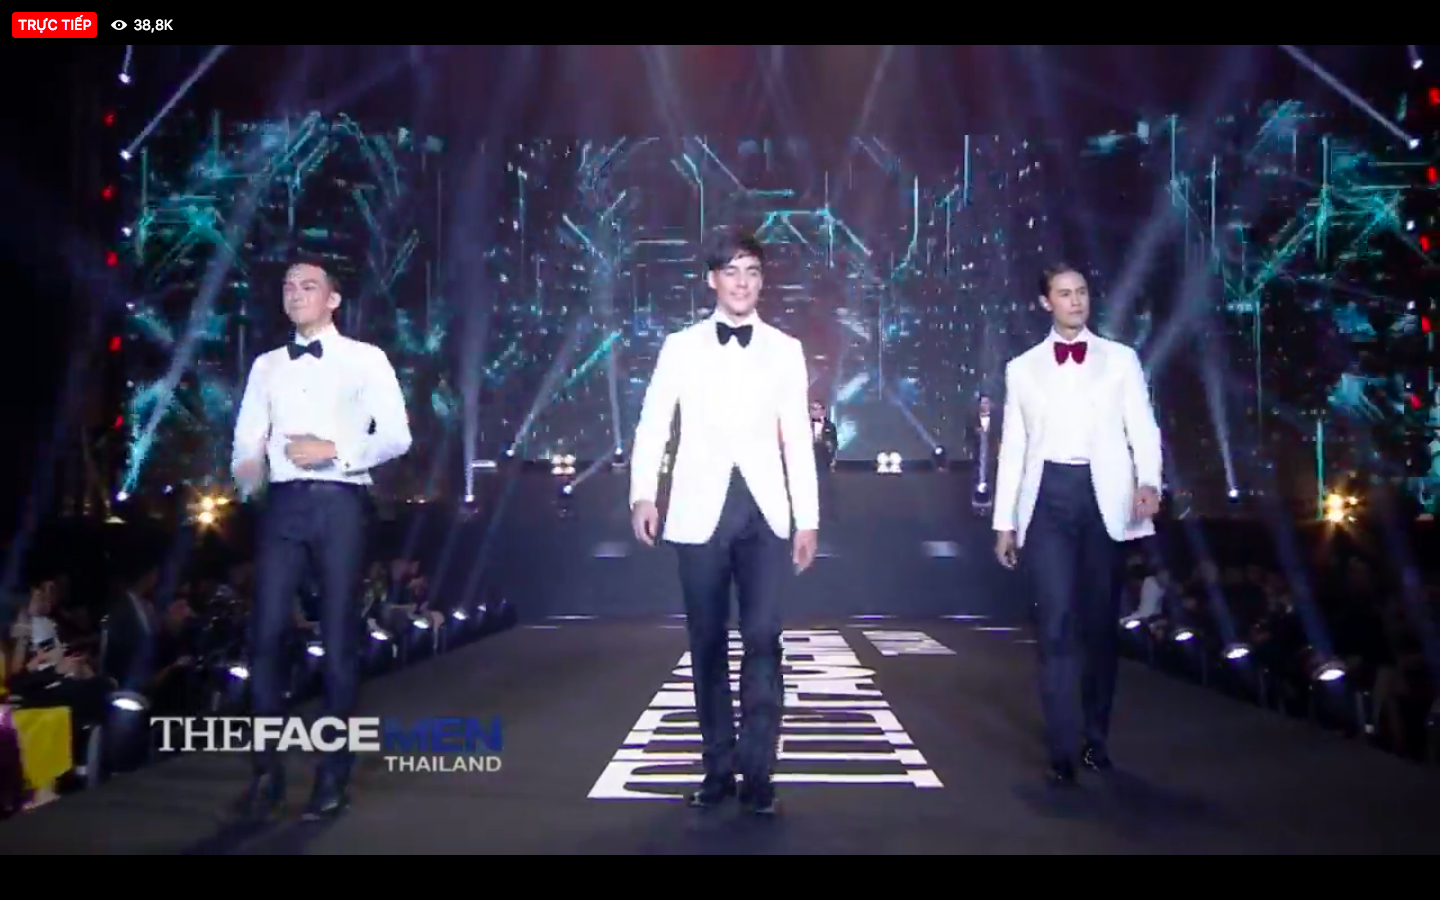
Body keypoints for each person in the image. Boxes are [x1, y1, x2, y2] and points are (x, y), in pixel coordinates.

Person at [629, 227, 819, 815]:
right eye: (732, 272)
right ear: (711, 279)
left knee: (763, 638)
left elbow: (797, 439)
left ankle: (757, 772)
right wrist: (644, 495)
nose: (742, 283)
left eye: (752, 272)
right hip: (697, 510)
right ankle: (717, 769)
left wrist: (807, 518)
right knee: (707, 643)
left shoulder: (785, 349)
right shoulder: (679, 347)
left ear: (762, 282)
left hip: (765, 513)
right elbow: (653, 424)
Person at [230, 259, 412, 820]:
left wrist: (336, 450)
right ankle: (266, 775)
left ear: (333, 300)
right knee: (264, 637)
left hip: (340, 500)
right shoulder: (265, 365)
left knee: (338, 640)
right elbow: (246, 438)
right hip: (283, 505)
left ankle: (332, 777)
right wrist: (247, 473)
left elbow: (398, 436)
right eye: (288, 286)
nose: (295, 294)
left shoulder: (365, 358)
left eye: (308, 286)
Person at [991, 263, 1162, 786]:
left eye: (1081, 292)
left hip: (1103, 496)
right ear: (1046, 303)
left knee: (1098, 625)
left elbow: (1143, 427)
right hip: (1047, 498)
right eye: (1064, 294)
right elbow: (1013, 447)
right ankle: (1062, 746)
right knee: (1055, 622)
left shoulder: (1120, 360)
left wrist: (1149, 481)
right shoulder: (1022, 368)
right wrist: (1004, 522)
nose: (1075, 301)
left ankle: (1095, 738)